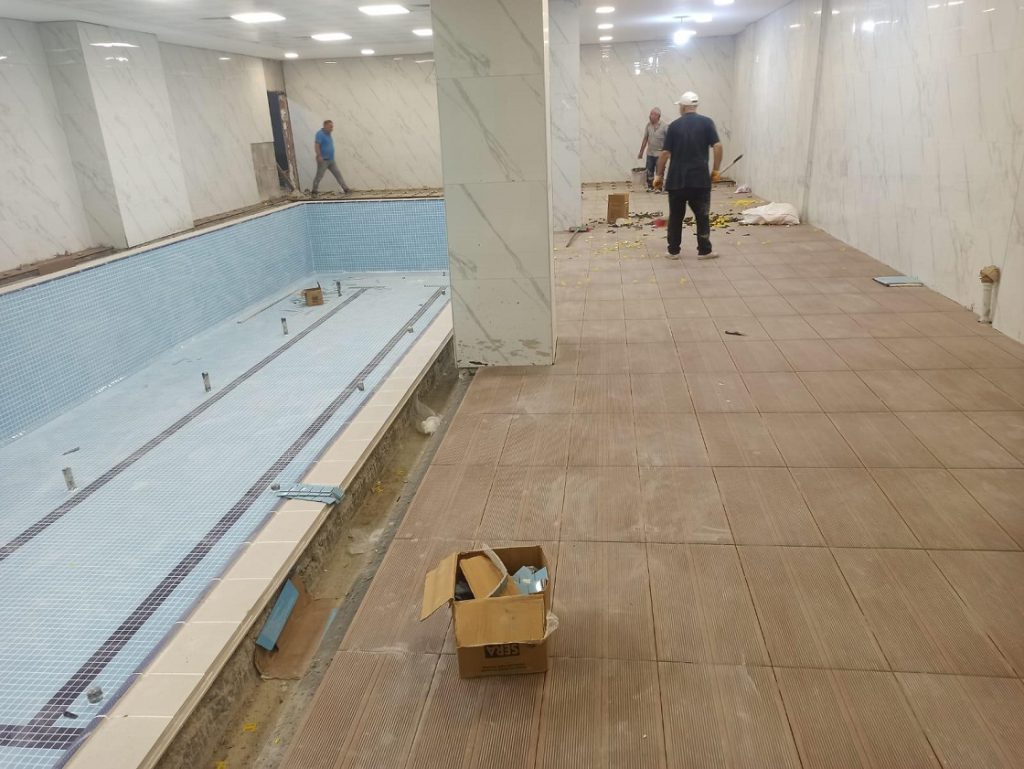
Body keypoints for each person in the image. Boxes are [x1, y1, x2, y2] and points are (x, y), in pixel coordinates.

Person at [654, 92, 723, 260]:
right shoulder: (707, 123)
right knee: (702, 216)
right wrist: (715, 170)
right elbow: (718, 146)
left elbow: (665, 154)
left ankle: (673, 251)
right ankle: (705, 251)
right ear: (694, 106)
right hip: (700, 180)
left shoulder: (674, 126)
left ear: (683, 107)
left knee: (676, 217)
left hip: (677, 181)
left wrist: (659, 176)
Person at [311, 120, 351, 196]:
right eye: (330, 127)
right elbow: (317, 145)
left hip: (331, 160)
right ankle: (314, 191)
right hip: (323, 160)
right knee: (319, 176)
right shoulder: (320, 134)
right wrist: (319, 156)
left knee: (338, 174)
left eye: (332, 127)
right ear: (325, 126)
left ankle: (345, 189)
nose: (332, 129)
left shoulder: (328, 134)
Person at [637, 108, 667, 191]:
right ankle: (650, 186)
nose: (650, 116)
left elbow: (669, 140)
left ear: (657, 116)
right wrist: (641, 152)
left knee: (659, 171)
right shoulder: (648, 125)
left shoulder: (664, 126)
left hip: (660, 153)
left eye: (652, 114)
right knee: (649, 170)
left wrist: (668, 152)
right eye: (650, 114)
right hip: (650, 153)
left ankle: (658, 187)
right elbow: (645, 139)